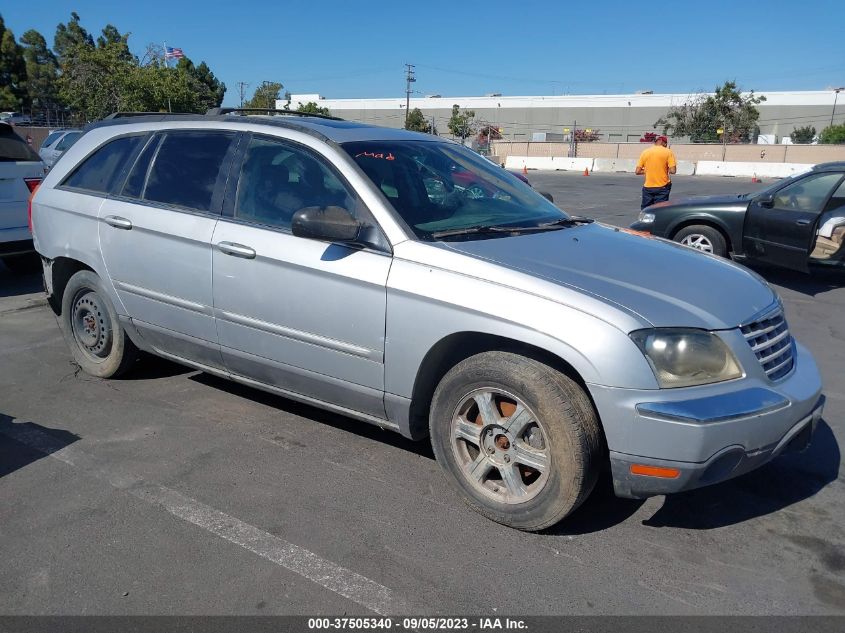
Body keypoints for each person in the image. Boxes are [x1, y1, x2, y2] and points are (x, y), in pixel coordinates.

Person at [636, 135, 677, 209]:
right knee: (660, 210)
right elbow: (673, 171)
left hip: (648, 187)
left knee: (646, 210)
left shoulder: (645, 152)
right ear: (662, 142)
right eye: (666, 143)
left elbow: (637, 171)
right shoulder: (668, 152)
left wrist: (648, 170)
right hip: (662, 187)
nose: (666, 145)